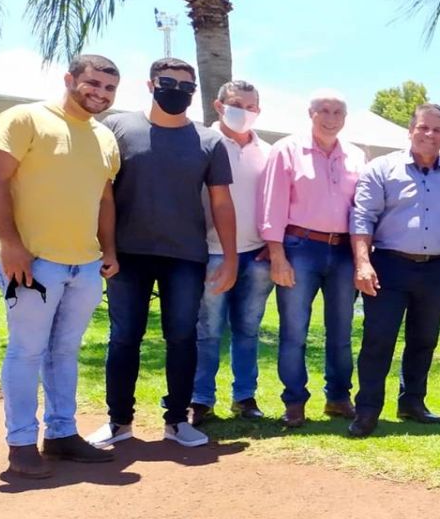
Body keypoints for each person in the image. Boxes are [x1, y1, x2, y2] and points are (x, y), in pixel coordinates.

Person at [0, 54, 122, 478]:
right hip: (33, 262)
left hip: (85, 265)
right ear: (69, 79)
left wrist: (108, 250)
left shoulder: (105, 138)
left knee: (65, 351)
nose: (100, 93)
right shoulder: (23, 119)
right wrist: (10, 244)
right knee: (26, 351)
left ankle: (62, 434)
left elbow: (104, 199)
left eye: (109, 88)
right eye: (92, 83)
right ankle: (21, 443)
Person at [87, 57, 237, 449]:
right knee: (124, 337)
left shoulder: (209, 141)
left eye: (187, 87)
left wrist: (231, 258)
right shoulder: (117, 127)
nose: (177, 91)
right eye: (168, 83)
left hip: (185, 257)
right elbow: (102, 194)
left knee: (182, 338)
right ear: (151, 85)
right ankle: (119, 421)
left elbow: (221, 202)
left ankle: (177, 421)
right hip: (127, 254)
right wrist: (105, 248)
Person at [349, 103, 440, 437]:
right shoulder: (382, 169)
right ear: (410, 130)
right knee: (378, 340)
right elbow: (362, 217)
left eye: (437, 130)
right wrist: (363, 263)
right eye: (423, 127)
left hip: (436, 269)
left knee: (424, 339)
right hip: (388, 266)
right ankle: (367, 410)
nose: (429, 134)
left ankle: (412, 402)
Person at [258, 90, 365, 427]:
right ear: (310, 113)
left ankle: (338, 397)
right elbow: (272, 206)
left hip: (343, 251)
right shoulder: (287, 150)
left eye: (337, 112)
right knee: (294, 331)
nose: (331, 118)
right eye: (324, 110)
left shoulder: (356, 156)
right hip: (299, 247)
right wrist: (277, 255)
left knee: (341, 330)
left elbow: (361, 209)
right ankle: (294, 401)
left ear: (345, 118)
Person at [188, 80, 274, 425]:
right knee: (207, 331)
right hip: (211, 253)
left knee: (248, 329)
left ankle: (244, 397)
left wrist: (272, 243)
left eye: (251, 107)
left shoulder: (268, 151)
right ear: (219, 105)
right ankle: (201, 399)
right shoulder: (200, 142)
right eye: (238, 105)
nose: (245, 112)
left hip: (257, 255)